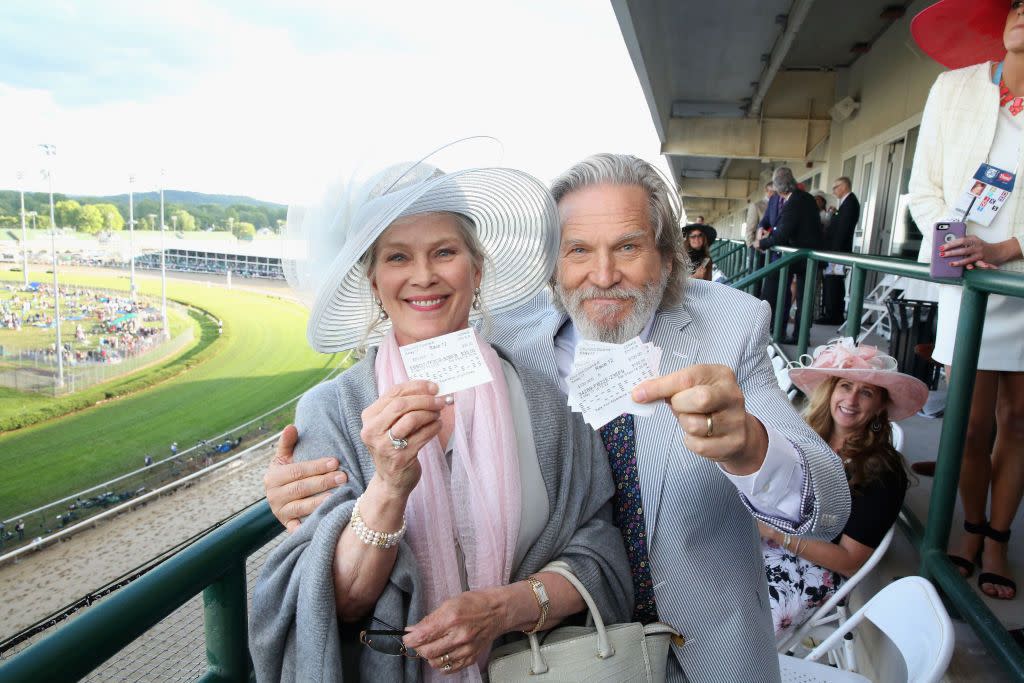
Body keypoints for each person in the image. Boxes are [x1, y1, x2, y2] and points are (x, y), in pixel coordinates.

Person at [265, 153, 851, 682]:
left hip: (702, 657)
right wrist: (300, 490)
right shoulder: (510, 341)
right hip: (551, 665)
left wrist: (750, 448)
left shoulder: (729, 325)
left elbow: (828, 509)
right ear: (550, 262)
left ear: (669, 256)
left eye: (628, 246)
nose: (602, 275)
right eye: (577, 250)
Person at [249, 160, 632, 682]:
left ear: (476, 271)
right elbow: (339, 602)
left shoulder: (547, 405)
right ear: (374, 281)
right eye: (398, 257)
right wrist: (388, 486)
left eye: (444, 253)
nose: (424, 275)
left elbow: (600, 550)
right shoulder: (332, 410)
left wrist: (503, 608)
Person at [908, 0, 1024, 600]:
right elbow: (923, 187)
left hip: (1022, 277)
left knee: (1018, 422)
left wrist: (1009, 247)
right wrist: (954, 241)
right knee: (971, 424)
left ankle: (999, 539)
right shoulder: (954, 88)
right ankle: (969, 531)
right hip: (969, 279)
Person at [758, 340, 928, 641]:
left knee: (728, 627)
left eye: (866, 392)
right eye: (845, 386)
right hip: (766, 543)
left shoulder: (882, 472)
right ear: (831, 391)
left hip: (811, 571)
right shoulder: (806, 437)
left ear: (880, 406)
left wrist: (775, 534)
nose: (851, 399)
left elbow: (851, 561)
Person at [755, 166, 825, 344]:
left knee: (800, 297)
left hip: (802, 257)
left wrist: (761, 243)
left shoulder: (795, 201)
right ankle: (796, 335)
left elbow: (782, 233)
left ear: (779, 188)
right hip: (803, 256)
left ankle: (797, 337)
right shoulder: (805, 198)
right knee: (802, 298)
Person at [818, 177, 861, 326]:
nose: (833, 191)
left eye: (835, 187)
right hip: (836, 250)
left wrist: (834, 252)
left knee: (834, 283)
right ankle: (831, 312)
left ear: (843, 187)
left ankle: (833, 315)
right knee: (832, 283)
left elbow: (843, 230)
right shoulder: (846, 203)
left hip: (838, 251)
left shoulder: (850, 203)